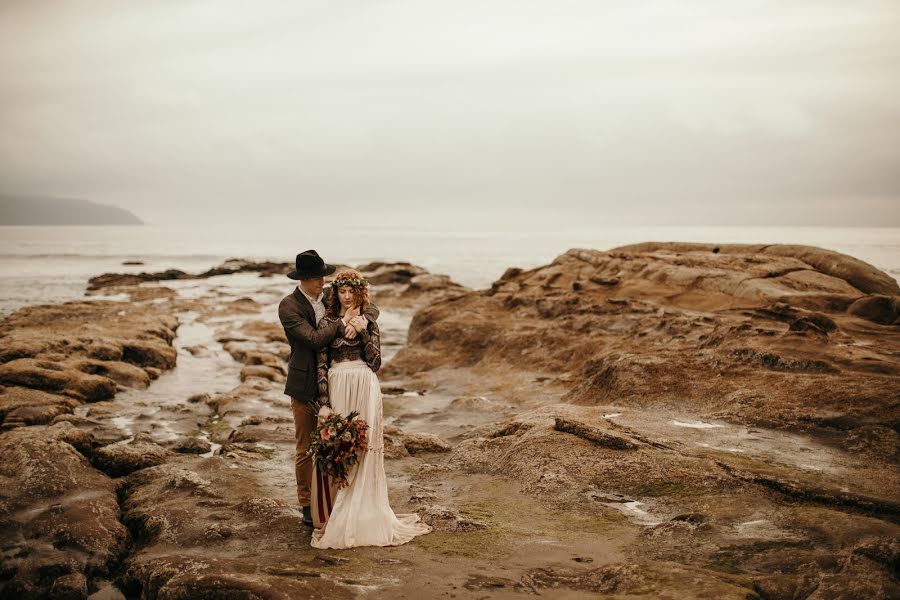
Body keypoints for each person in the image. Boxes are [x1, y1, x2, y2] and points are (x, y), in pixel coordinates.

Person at [310, 269, 431, 548]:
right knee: (341, 446)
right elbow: (321, 365)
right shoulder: (328, 321)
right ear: (337, 292)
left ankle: (367, 513)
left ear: (360, 293)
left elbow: (375, 363)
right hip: (338, 383)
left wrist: (364, 332)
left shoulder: (369, 322)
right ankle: (338, 512)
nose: (348, 296)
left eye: (352, 291)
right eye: (343, 291)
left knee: (364, 446)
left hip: (365, 383)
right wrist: (325, 404)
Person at [278, 250, 379, 527]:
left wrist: (363, 320)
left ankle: (336, 500)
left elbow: (367, 302)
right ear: (305, 279)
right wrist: (343, 323)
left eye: (324, 276)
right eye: (318, 277)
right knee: (306, 448)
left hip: (334, 384)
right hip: (304, 385)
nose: (324, 281)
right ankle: (308, 505)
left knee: (339, 442)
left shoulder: (327, 294)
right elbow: (312, 339)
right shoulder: (288, 306)